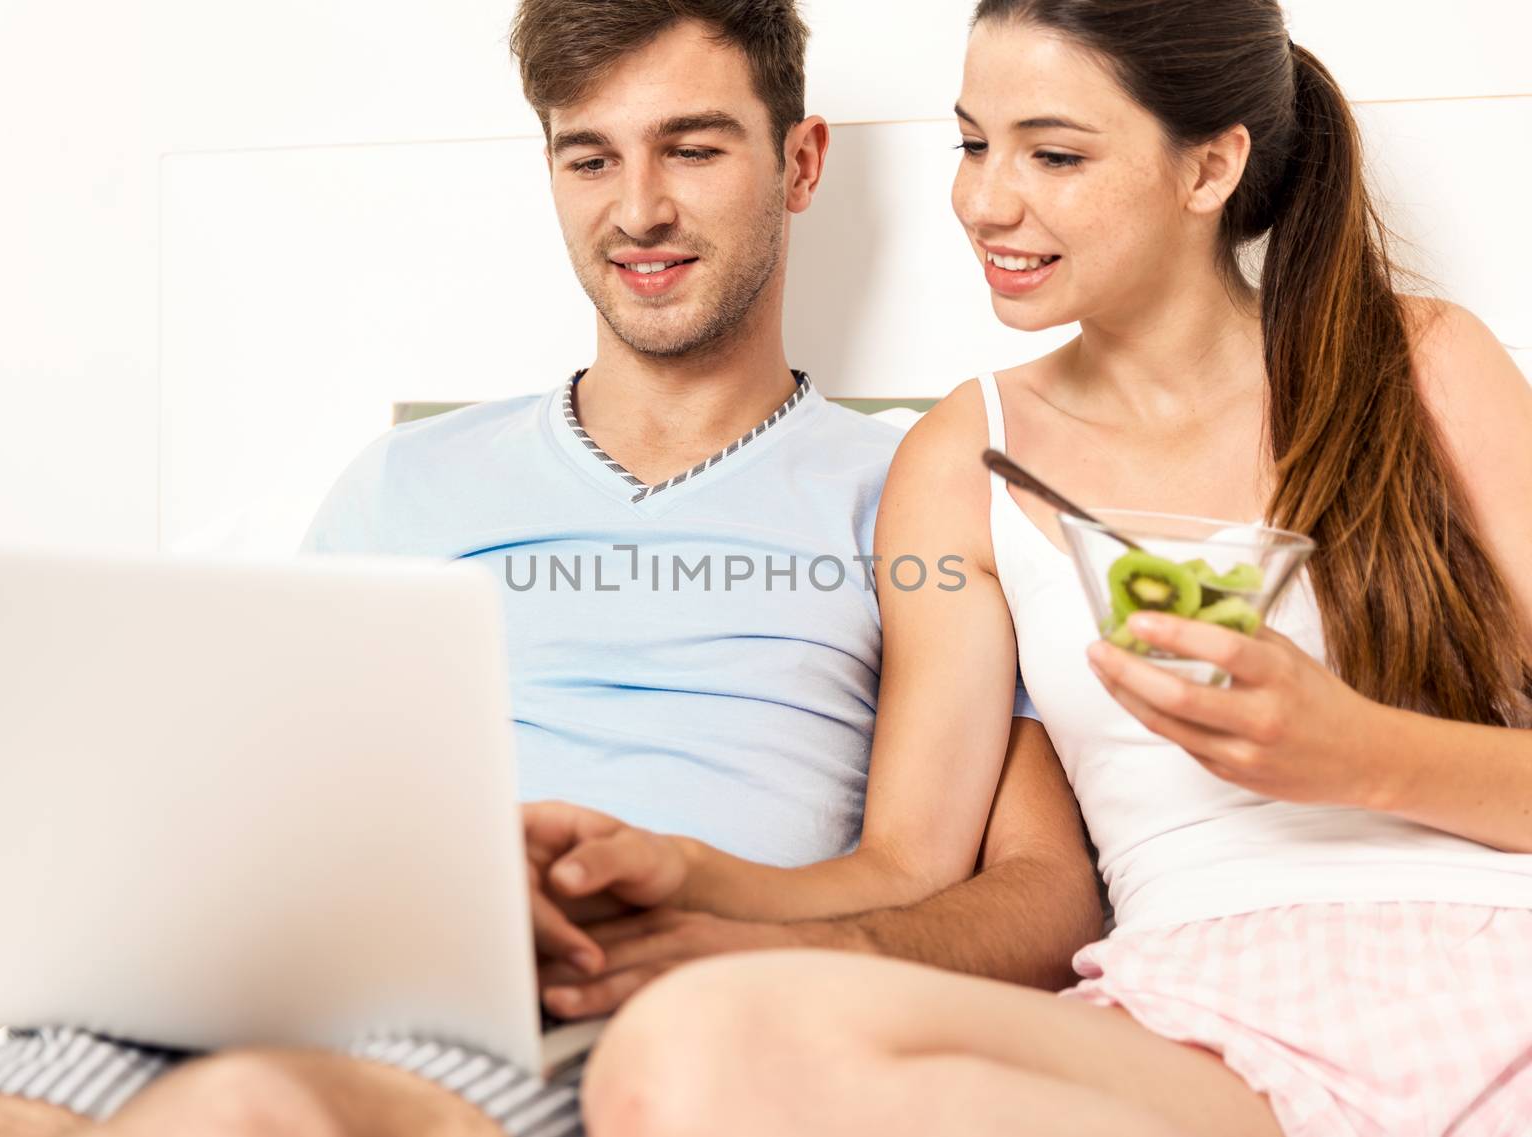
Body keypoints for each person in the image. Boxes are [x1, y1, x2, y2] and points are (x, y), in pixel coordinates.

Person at [0, 3, 1085, 1137]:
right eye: (590, 157)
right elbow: (255, 790)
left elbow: (1042, 891)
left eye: (691, 147)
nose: (638, 210)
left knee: (246, 1112)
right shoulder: (403, 479)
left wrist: (762, 945)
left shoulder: (917, 494)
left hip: (594, 993)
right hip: (316, 951)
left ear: (799, 161)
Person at [570, 1, 1532, 1135]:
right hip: (1196, 1016)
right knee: (692, 1044)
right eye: (974, 143)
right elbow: (908, 866)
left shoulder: (1422, 365)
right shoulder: (960, 461)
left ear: (1210, 167)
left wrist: (1354, 751)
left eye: (1055, 154)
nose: (985, 200)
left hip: (1490, 953)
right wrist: (680, 869)